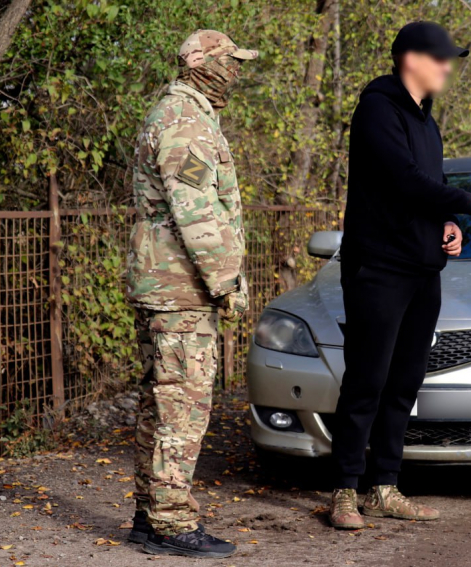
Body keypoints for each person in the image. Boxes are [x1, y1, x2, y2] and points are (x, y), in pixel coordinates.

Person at [329, 21, 471, 530]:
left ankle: (384, 486)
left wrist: (448, 223)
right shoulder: (377, 110)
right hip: (378, 267)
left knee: (405, 380)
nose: (449, 67)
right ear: (412, 58)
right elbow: (403, 181)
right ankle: (344, 490)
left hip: (421, 269)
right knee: (367, 379)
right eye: (442, 58)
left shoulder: (426, 121)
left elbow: (424, 191)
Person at [126, 29, 256, 558]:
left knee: (162, 404)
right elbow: (196, 212)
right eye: (231, 62)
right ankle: (171, 523)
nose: (238, 72)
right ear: (208, 65)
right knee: (182, 408)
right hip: (180, 290)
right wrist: (227, 283)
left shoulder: (180, 113)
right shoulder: (185, 122)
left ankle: (150, 513)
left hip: (167, 286)